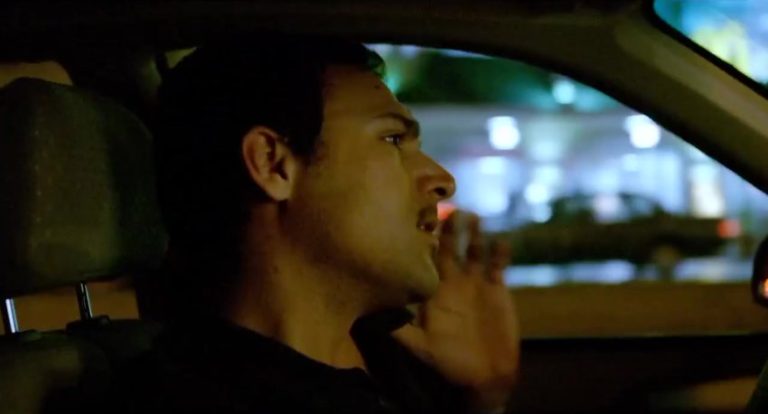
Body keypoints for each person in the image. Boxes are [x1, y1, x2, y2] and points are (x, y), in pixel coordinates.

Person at [109, 34, 519, 414]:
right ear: (273, 164)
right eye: (393, 139)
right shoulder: (187, 396)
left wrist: (484, 400)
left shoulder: (385, 356)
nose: (443, 181)